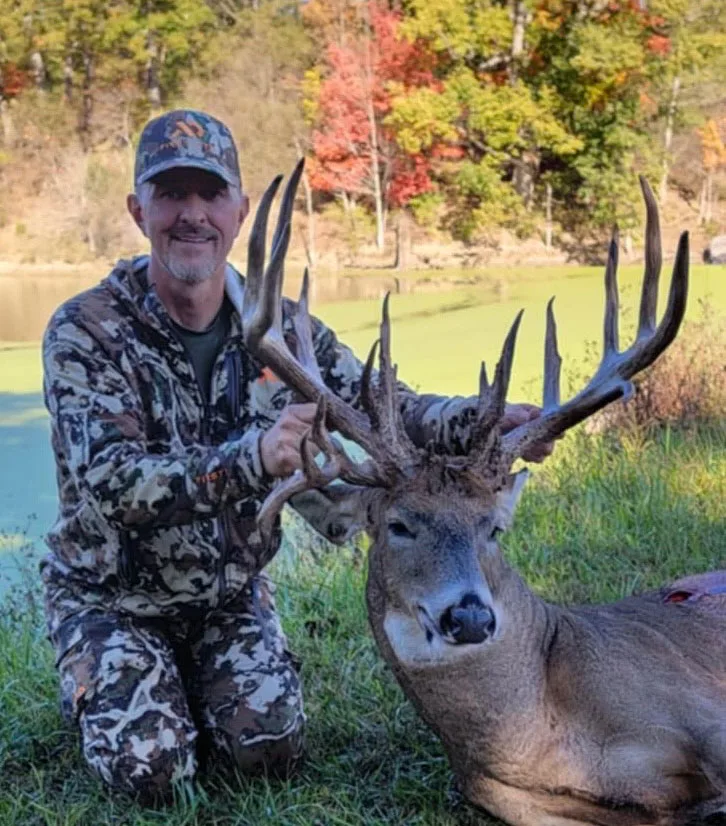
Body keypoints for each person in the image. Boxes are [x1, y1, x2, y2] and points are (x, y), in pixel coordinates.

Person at [41, 109, 552, 802]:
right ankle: (116, 672)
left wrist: (477, 421)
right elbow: (110, 483)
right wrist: (251, 459)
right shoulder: (85, 330)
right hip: (113, 598)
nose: (192, 215)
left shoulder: (284, 332)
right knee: (152, 773)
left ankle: (191, 676)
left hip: (226, 595)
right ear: (139, 210)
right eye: (170, 195)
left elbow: (386, 403)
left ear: (240, 211)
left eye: (210, 194)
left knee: (270, 750)